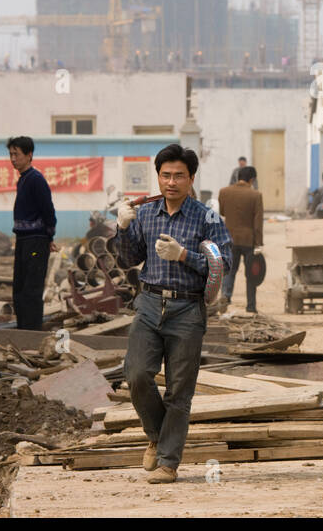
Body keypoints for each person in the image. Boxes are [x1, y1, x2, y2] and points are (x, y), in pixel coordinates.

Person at [110, 144, 232, 484]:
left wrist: (183, 255)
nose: (172, 182)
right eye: (166, 175)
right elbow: (129, 259)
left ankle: (167, 462)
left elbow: (224, 263)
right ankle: (156, 434)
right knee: (136, 374)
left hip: (188, 308)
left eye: (179, 175)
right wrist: (122, 228)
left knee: (179, 390)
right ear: (158, 177)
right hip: (149, 302)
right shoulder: (146, 213)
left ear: (191, 179)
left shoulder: (207, 217)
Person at [8, 136, 58, 330]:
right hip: (23, 240)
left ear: (29, 155)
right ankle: (23, 330)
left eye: (17, 154)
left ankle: (32, 333)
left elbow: (48, 210)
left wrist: (49, 236)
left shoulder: (36, 179)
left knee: (32, 289)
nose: (13, 159)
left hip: (36, 241)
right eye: (11, 154)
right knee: (19, 289)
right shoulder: (23, 179)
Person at [218, 165, 263, 314]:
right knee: (251, 273)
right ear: (252, 179)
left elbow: (223, 212)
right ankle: (251, 306)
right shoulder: (256, 195)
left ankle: (225, 297)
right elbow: (258, 222)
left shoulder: (224, 192)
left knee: (229, 271)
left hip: (229, 238)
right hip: (249, 240)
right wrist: (258, 243)